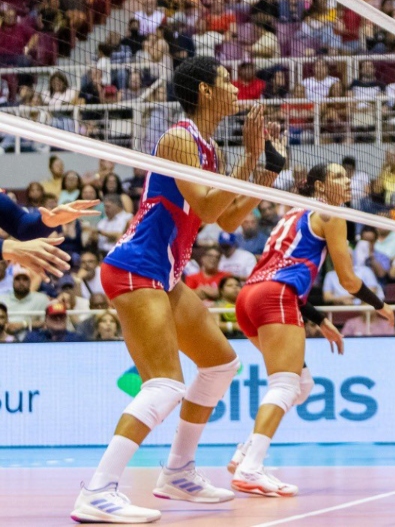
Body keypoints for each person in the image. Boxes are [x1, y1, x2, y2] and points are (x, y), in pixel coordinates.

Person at [75, 56, 282, 524]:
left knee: (220, 363)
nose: (236, 89)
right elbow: (209, 207)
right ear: (205, 91)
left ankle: (178, 473)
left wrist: (265, 170)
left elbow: (228, 220)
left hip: (162, 275)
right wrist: (249, 157)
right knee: (164, 383)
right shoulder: (178, 138)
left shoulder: (209, 149)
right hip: (135, 268)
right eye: (228, 80)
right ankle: (97, 490)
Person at [226, 163, 390, 496]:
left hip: (249, 297)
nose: (346, 182)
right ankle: (251, 468)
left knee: (302, 384)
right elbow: (347, 280)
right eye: (338, 178)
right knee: (285, 385)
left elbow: (283, 269)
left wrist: (319, 318)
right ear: (319, 186)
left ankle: (245, 451)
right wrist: (378, 303)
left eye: (347, 177)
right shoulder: (331, 214)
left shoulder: (291, 214)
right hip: (275, 296)